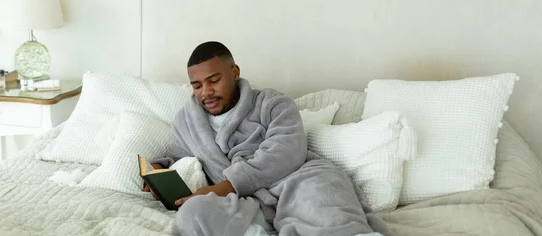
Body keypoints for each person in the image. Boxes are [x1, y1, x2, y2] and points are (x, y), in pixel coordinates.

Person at [147, 41, 391, 236]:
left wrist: (223, 187)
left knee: (323, 196)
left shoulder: (272, 103)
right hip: (242, 201)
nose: (206, 92)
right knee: (194, 212)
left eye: (214, 80)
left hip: (296, 180)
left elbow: (287, 149)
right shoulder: (187, 121)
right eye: (197, 85)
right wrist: (159, 171)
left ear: (234, 72)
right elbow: (177, 157)